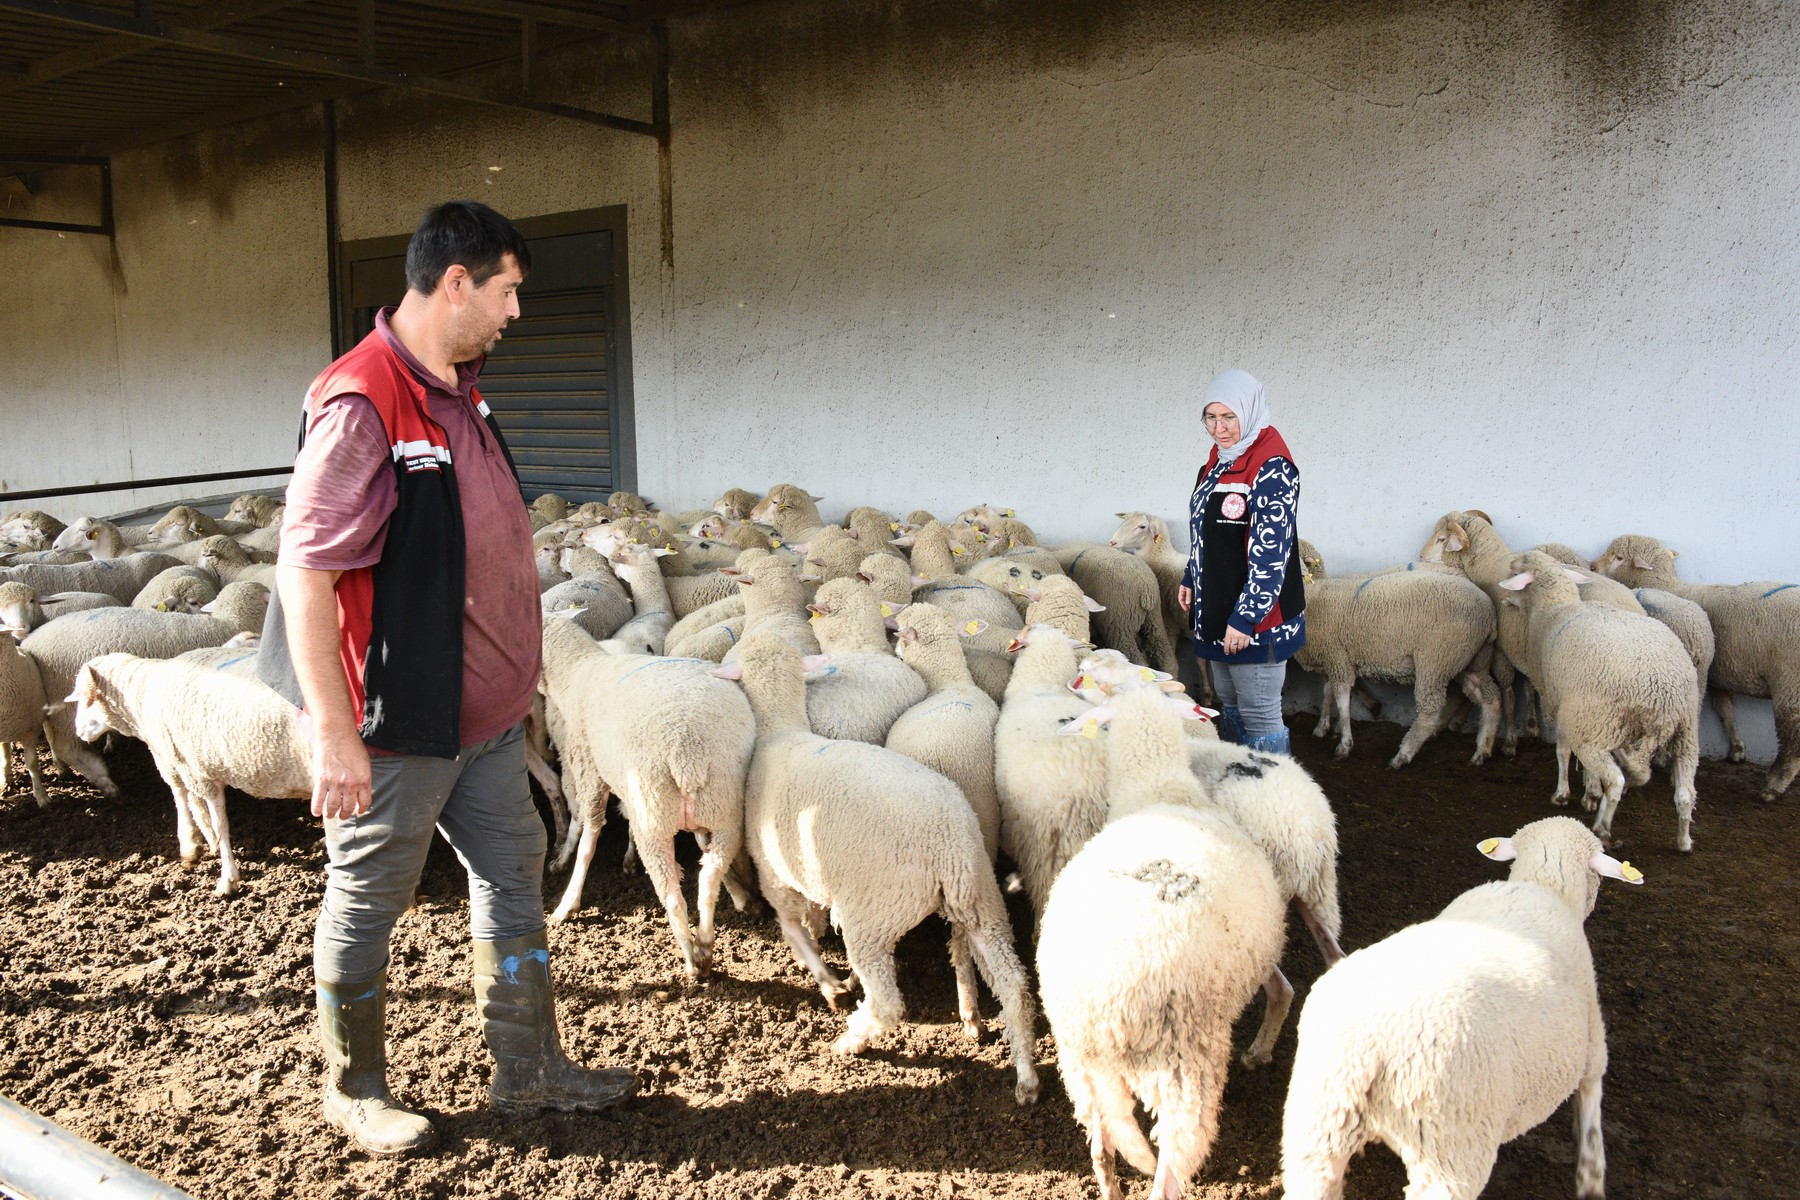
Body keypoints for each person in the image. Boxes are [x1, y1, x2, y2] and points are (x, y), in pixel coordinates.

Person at [257, 201, 635, 1156]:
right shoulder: (363, 401)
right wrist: (336, 735)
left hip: (489, 722)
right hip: (401, 726)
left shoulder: (461, 384)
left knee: (512, 875)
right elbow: (304, 575)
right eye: (508, 291)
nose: (516, 312)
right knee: (367, 897)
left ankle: (529, 1067)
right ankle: (355, 1087)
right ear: (456, 281)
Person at [1177, 368, 1305, 752]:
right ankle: (1237, 790)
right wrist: (1191, 575)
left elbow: (1272, 552)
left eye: (1229, 417)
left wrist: (1247, 617)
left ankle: (1272, 805)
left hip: (1256, 619)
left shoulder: (1272, 465)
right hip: (1219, 607)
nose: (1219, 428)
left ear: (1249, 412)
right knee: (1230, 705)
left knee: (1260, 714)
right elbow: (1206, 529)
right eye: (1211, 418)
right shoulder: (1219, 459)